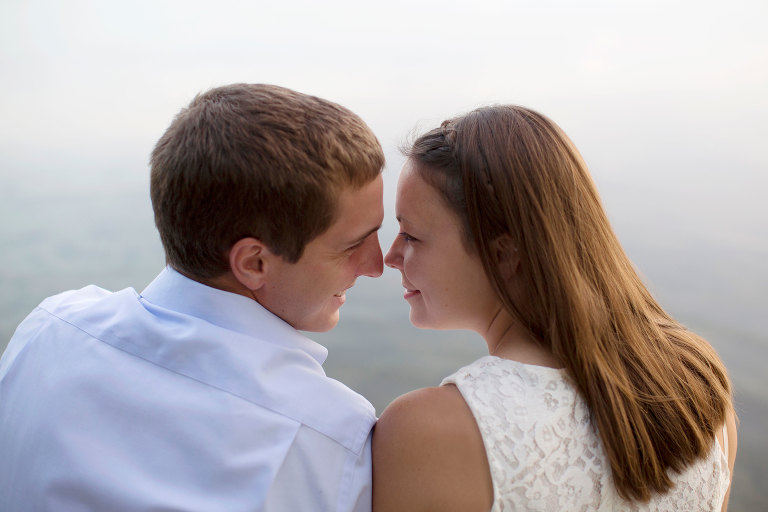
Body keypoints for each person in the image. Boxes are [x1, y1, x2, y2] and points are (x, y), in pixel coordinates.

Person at [0, 84, 385, 511]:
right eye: (354, 245)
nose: (377, 265)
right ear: (254, 263)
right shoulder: (334, 442)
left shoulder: (47, 330)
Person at [373, 105, 737, 511]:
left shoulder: (428, 432)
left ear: (504, 253)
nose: (390, 256)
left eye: (411, 236)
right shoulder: (699, 387)